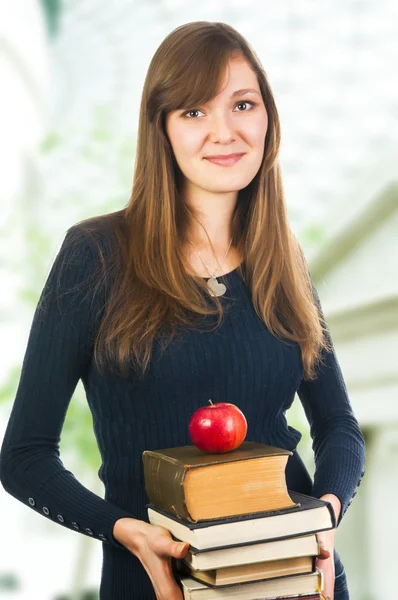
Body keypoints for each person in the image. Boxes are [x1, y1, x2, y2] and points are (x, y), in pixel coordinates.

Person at [0, 21, 365, 600]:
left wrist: (324, 513)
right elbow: (23, 456)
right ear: (162, 130)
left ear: (268, 119)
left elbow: (340, 427)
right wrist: (125, 532)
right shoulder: (95, 255)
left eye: (242, 104)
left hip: (296, 578)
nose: (225, 131)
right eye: (194, 112)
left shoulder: (282, 259)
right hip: (155, 582)